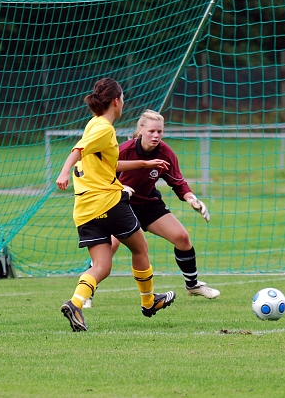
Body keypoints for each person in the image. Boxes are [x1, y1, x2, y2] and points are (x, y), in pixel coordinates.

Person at [55, 78, 175, 332]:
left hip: (85, 208)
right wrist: (64, 172)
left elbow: (109, 164)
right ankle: (149, 302)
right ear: (116, 101)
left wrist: (145, 164)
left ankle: (75, 303)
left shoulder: (93, 124)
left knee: (102, 266)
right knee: (140, 248)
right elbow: (77, 151)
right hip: (108, 202)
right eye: (123, 99)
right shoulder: (104, 128)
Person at [84, 109, 219, 307]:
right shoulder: (124, 150)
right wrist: (119, 188)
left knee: (182, 237)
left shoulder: (165, 152)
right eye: (151, 131)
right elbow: (100, 175)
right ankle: (87, 294)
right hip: (121, 205)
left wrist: (192, 199)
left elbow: (177, 181)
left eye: (159, 131)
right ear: (141, 130)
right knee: (110, 246)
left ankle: (193, 285)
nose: (156, 135)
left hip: (149, 204)